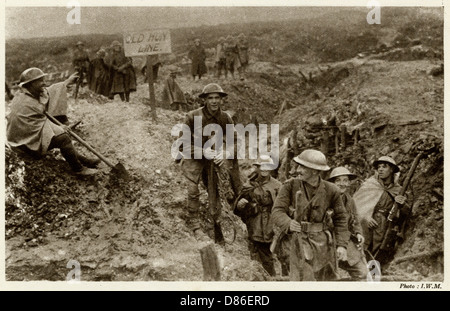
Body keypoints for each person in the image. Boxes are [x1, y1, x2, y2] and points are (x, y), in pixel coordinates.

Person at [271, 149, 350, 281]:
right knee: (304, 279)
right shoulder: (290, 186)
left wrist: (342, 245)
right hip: (297, 240)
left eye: (302, 167)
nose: (298, 170)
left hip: (323, 244)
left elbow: (341, 219)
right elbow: (277, 211)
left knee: (327, 281)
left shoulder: (332, 190)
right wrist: (288, 223)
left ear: (314, 171)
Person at [6, 67, 99, 175]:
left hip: (31, 134)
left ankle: (85, 161)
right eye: (40, 81)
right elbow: (38, 123)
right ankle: (78, 169)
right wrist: (60, 128)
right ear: (30, 84)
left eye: (43, 80)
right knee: (63, 138)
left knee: (60, 133)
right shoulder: (26, 102)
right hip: (25, 142)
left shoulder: (32, 94)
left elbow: (49, 92)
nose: (43, 83)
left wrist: (66, 82)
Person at [178, 83, 241, 242]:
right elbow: (181, 144)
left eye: (217, 98)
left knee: (216, 192)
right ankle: (194, 224)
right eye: (210, 98)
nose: (214, 101)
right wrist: (202, 152)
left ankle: (218, 229)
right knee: (193, 189)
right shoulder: (192, 117)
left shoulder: (225, 118)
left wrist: (225, 153)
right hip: (195, 156)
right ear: (204, 100)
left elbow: (234, 142)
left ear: (221, 100)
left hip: (213, 157)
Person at [353, 156, 408, 265]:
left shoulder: (398, 190)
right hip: (368, 224)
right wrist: (366, 217)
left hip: (386, 225)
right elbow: (355, 206)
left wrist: (401, 204)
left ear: (391, 169)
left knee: (380, 251)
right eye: (379, 167)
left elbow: (406, 214)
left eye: (384, 167)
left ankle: (375, 275)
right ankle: (363, 274)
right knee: (364, 247)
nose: (380, 169)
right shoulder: (369, 185)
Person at [234, 155, 281, 276]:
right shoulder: (249, 184)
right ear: (258, 168)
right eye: (262, 166)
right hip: (254, 222)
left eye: (268, 166)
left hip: (271, 222)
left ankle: (271, 278)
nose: (265, 169)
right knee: (255, 250)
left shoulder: (277, 185)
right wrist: (240, 205)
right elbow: (238, 208)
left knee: (269, 253)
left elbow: (283, 205)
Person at [328, 167, 368, 281]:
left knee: (362, 272)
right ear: (332, 183)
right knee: (328, 276)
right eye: (338, 180)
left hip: (345, 239)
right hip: (328, 241)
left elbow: (355, 219)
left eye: (345, 180)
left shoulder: (349, 200)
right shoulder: (325, 198)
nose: (342, 184)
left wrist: (358, 233)